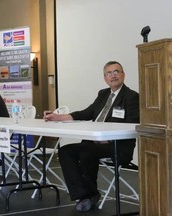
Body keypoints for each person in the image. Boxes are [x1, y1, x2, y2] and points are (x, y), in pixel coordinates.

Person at [44, 61, 139, 212]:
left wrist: (108, 138)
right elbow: (87, 113)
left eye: (116, 72)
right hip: (94, 142)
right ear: (105, 78)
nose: (113, 76)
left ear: (123, 75)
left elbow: (133, 124)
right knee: (65, 151)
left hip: (116, 145)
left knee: (87, 153)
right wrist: (59, 117)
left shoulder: (131, 97)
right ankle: (85, 194)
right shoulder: (103, 94)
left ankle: (89, 195)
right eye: (109, 73)